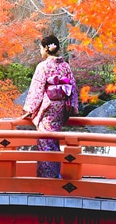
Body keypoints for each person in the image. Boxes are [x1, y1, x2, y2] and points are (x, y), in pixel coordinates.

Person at [22, 34, 79, 178]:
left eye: (41, 48)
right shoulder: (65, 66)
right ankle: (54, 174)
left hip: (47, 108)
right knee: (53, 140)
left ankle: (49, 178)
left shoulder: (43, 66)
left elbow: (37, 89)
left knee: (46, 142)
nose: (40, 52)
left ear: (46, 49)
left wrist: (30, 109)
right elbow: (72, 87)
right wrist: (71, 107)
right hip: (60, 108)